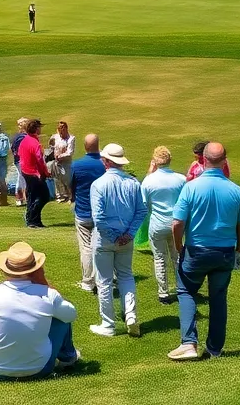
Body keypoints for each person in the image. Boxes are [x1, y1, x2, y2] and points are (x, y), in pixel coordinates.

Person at [168, 142, 240, 361]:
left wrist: (178, 246)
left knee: (186, 290)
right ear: (224, 161)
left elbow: (177, 223)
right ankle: (214, 349)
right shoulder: (235, 190)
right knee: (218, 298)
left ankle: (189, 342)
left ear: (203, 159)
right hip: (224, 252)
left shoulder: (191, 187)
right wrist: (239, 250)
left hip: (196, 249)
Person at [0, 242, 80, 380]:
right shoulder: (47, 294)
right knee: (61, 317)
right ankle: (68, 358)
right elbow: (71, 315)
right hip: (40, 369)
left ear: (4, 269)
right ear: (35, 269)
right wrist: (44, 283)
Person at [88, 143, 146, 337]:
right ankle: (131, 315)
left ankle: (108, 324)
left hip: (105, 238)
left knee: (104, 281)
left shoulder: (99, 184)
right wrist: (129, 234)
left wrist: (115, 236)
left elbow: (99, 217)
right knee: (126, 276)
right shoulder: (133, 182)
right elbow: (141, 211)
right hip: (125, 237)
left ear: (106, 161)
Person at [141, 146, 186, 305]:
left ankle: (163, 293)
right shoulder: (180, 179)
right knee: (177, 257)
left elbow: (144, 205)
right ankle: (182, 288)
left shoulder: (149, 180)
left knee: (159, 258)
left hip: (157, 224)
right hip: (176, 224)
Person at [68, 133, 105, 292]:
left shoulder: (77, 165)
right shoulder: (105, 165)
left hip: (83, 212)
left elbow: (71, 187)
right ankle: (104, 278)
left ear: (85, 147)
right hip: (101, 213)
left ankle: (88, 281)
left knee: (86, 248)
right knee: (102, 247)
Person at [19, 118, 50, 229]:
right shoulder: (34, 143)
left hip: (25, 172)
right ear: (36, 129)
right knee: (44, 196)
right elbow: (40, 160)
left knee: (32, 196)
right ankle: (32, 218)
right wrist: (45, 172)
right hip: (34, 173)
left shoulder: (24, 141)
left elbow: (20, 155)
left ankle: (32, 219)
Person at [50, 121, 76, 202]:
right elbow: (51, 144)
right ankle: (60, 196)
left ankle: (70, 196)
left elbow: (70, 152)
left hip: (66, 162)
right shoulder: (56, 137)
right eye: (60, 130)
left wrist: (60, 155)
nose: (61, 132)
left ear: (66, 129)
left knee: (67, 179)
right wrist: (53, 150)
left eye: (63, 129)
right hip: (57, 162)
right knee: (57, 178)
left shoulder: (71, 138)